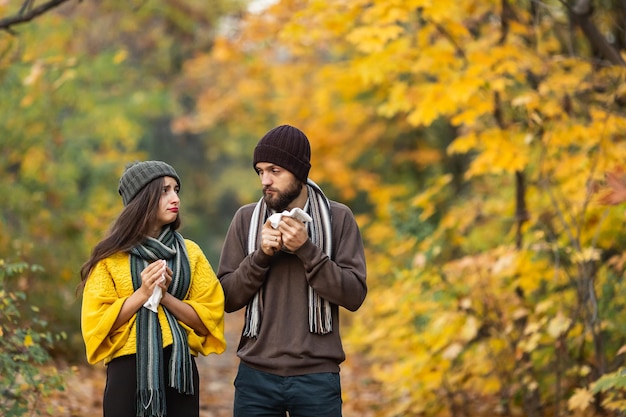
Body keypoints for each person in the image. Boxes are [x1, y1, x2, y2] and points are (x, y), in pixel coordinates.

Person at [217, 124, 368, 417]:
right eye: (260, 171)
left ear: (299, 172)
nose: (265, 180)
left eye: (275, 170)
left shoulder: (338, 218)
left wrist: (307, 250)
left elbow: (354, 295)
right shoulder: (246, 219)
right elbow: (226, 298)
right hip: (255, 377)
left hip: (317, 379)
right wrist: (260, 256)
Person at [79, 161, 226, 417]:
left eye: (176, 189)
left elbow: (209, 320)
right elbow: (96, 326)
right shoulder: (110, 259)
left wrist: (166, 297)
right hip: (127, 372)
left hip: (179, 373)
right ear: (142, 199)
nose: (175, 198)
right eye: (165, 190)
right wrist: (142, 294)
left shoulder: (191, 254)